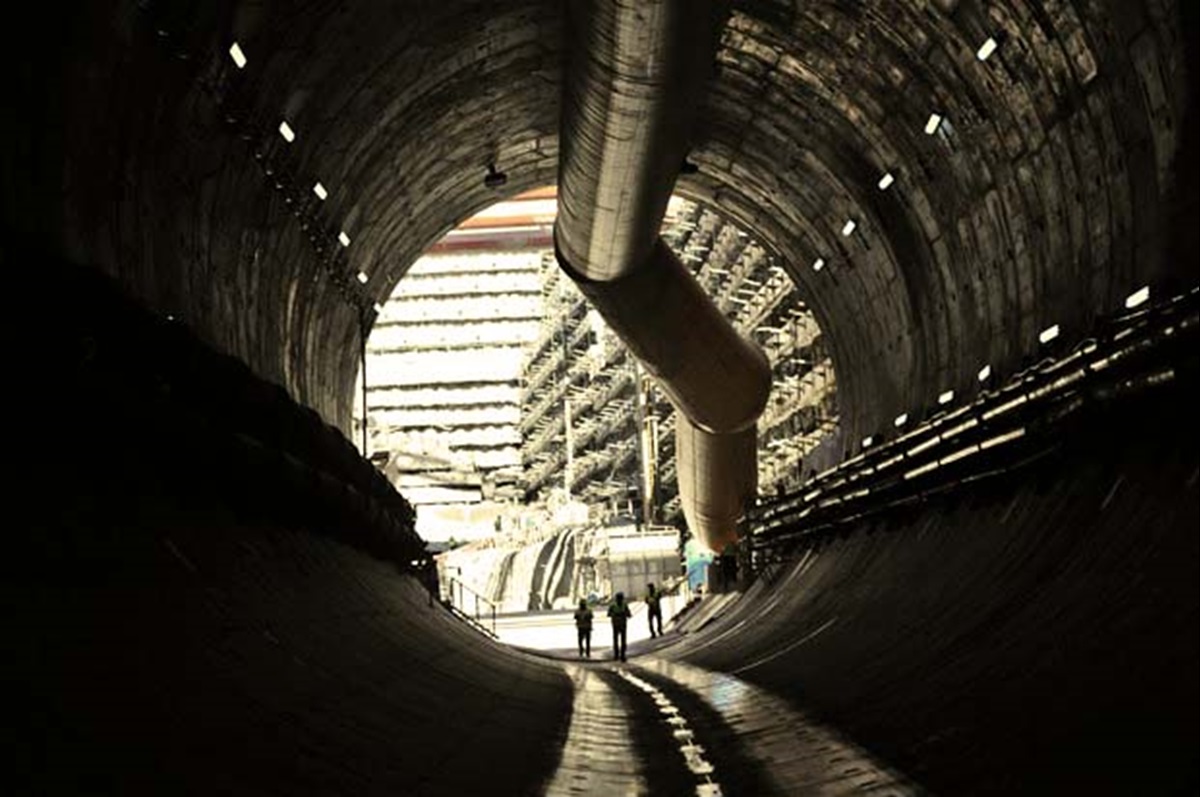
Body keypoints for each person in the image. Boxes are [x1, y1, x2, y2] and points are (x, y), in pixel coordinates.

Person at [607, 592, 632, 662]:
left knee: (618, 640)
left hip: (617, 624)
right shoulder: (621, 605)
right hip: (620, 624)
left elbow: (608, 614)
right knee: (621, 640)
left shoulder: (615, 605)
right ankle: (620, 655)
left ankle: (619, 655)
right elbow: (629, 614)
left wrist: (615, 615)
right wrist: (622, 614)